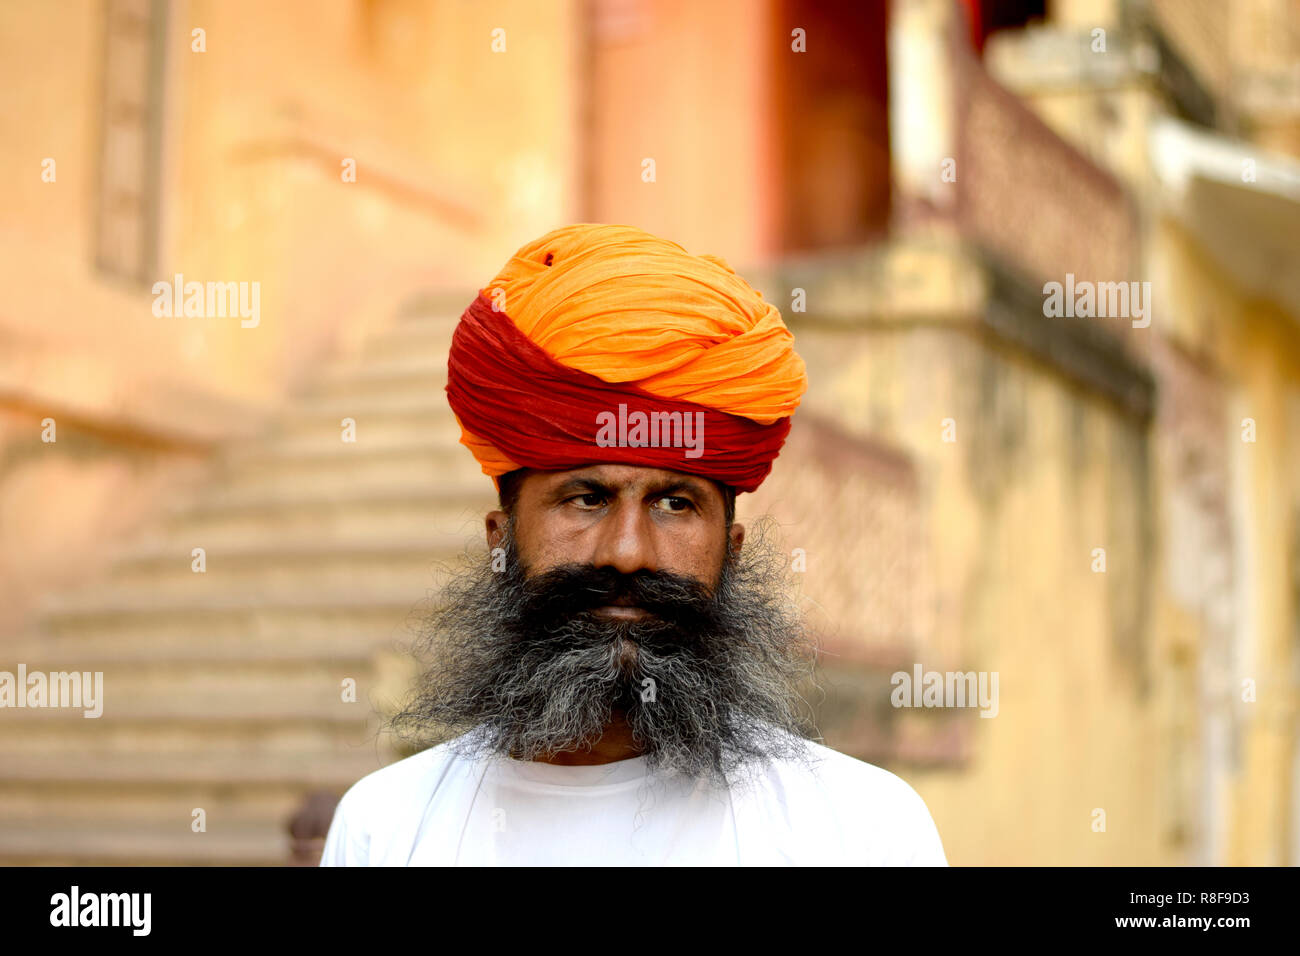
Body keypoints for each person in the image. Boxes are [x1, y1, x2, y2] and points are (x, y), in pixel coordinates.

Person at [320, 223, 948, 865]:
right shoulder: (386, 829)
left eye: (675, 504)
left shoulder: (860, 830)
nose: (627, 552)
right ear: (500, 542)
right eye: (586, 497)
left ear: (730, 554)